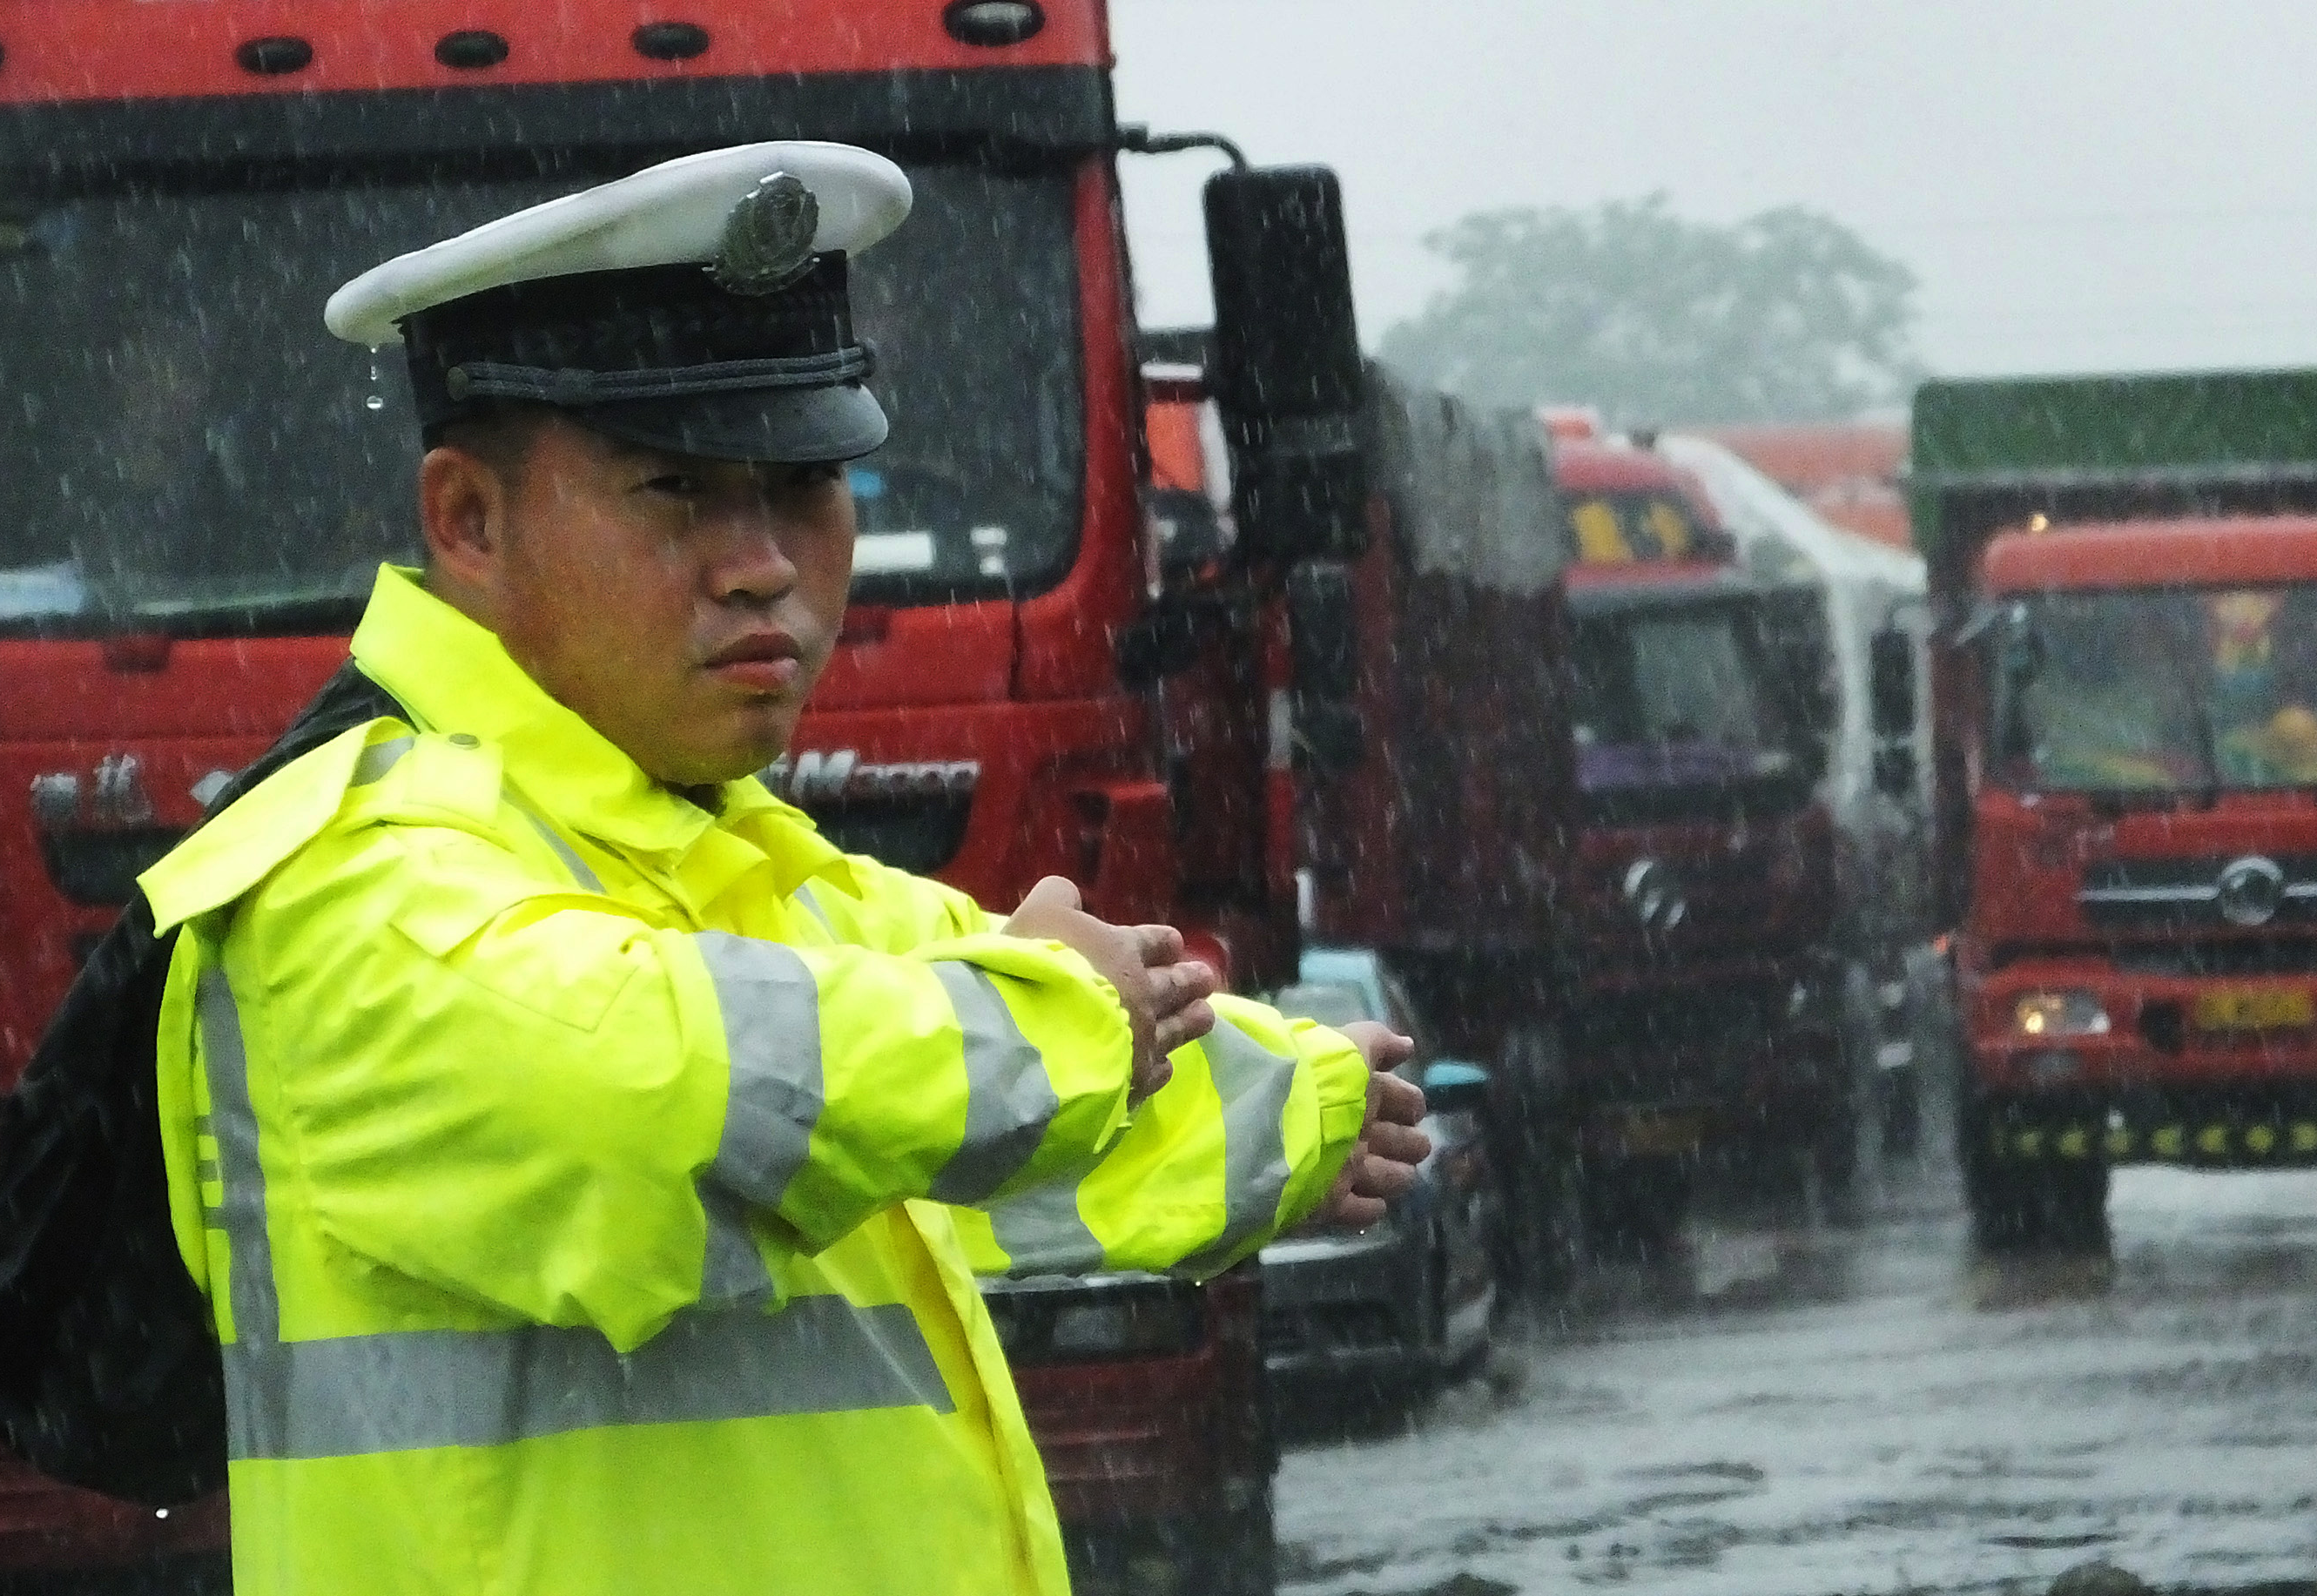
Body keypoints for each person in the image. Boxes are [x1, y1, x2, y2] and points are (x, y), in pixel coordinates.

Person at [131, 143, 1428, 1595]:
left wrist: (1304, 1099)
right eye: (676, 490)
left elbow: (997, 1107)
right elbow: (660, 1093)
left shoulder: (736, 863)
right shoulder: (346, 882)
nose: (763, 565)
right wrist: (1056, 1017)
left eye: (806, 482)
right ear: (468, 523)